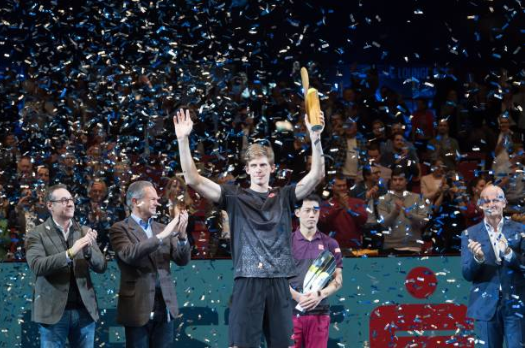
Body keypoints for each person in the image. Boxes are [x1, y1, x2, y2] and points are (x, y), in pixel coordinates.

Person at [174, 107, 325, 348]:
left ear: (272, 169)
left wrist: (315, 139)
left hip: (279, 282)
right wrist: (183, 140)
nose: (259, 170)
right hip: (247, 280)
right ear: (247, 170)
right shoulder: (234, 197)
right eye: (254, 165)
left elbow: (317, 175)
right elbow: (193, 179)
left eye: (264, 165)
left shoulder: (285, 196)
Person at [110, 180, 191, 348]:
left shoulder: (162, 227)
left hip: (165, 305)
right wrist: (162, 236)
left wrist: (182, 238)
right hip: (137, 306)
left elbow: (182, 260)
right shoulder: (120, 229)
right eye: (152, 199)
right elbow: (129, 254)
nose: (157, 203)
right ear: (135, 202)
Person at [25, 184, 107, 347]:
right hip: (53, 314)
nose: (70, 204)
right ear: (50, 206)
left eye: (71, 200)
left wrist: (89, 251)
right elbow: (37, 265)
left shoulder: (84, 231)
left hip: (85, 312)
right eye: (63, 200)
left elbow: (102, 266)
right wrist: (70, 253)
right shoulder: (37, 234)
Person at [461, 185, 525, 347]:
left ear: (504, 203)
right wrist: (478, 259)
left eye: (496, 200)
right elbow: (467, 274)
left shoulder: (520, 230)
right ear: (480, 205)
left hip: (515, 304)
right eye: (486, 201)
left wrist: (510, 254)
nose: (491, 204)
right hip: (486, 306)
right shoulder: (470, 234)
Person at [289, 194, 343, 348]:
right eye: (307, 210)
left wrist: (320, 295)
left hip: (320, 313)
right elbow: (278, 279)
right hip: (290, 314)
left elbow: (338, 280)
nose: (312, 214)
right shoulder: (286, 243)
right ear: (297, 213)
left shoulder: (331, 244)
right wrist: (298, 297)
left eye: (316, 210)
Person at [377, 169, 429, 255]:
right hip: (391, 246)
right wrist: (395, 212)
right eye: (394, 179)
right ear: (391, 181)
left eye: (401, 179)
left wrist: (409, 214)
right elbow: (383, 223)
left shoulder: (417, 198)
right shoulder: (383, 199)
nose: (397, 182)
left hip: (413, 246)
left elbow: (424, 222)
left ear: (406, 181)